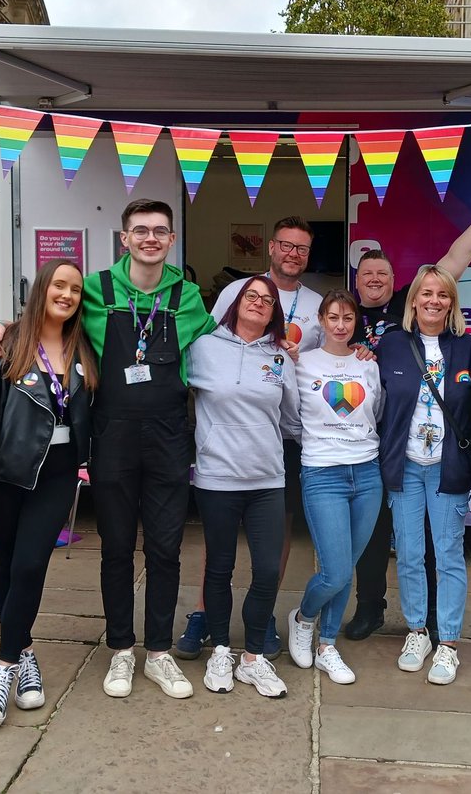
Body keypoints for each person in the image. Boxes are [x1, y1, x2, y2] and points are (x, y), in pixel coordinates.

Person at [0, 200, 216, 699]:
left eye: (160, 231)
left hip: (169, 437)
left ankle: (158, 653)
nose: (150, 239)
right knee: (115, 549)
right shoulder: (94, 289)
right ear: (124, 239)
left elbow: (224, 345)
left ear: (171, 240)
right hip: (111, 438)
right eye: (140, 231)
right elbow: (49, 317)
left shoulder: (189, 295)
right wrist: (2, 329)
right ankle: (120, 652)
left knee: (166, 549)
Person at [344, 178, 471, 642]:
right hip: (373, 446)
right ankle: (372, 608)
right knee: (376, 540)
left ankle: (435, 621)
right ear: (356, 281)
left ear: (401, 286)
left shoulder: (409, 312)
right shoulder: (344, 314)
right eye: (366, 275)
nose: (374, 280)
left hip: (427, 448)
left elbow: (455, 259)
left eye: (383, 275)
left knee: (436, 546)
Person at [176, 216, 323, 662]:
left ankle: (263, 619)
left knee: (274, 538)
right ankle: (203, 614)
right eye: (286, 245)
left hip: (280, 436)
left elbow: (327, 356)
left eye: (302, 248)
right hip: (223, 449)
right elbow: (201, 349)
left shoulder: (317, 304)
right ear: (272, 248)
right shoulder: (235, 292)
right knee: (218, 548)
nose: (293, 253)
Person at [0, 259, 97, 728]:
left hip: (56, 477)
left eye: (75, 289)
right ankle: (27, 653)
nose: (67, 294)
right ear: (41, 289)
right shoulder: (5, 345)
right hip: (5, 477)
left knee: (29, 565)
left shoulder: (85, 346)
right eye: (59, 285)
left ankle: (2, 671)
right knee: (2, 568)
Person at [187, 275, 300, 697]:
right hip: (217, 478)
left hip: (266, 479)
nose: (258, 303)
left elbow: (291, 419)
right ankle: (220, 649)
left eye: (267, 300)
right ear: (234, 303)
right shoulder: (201, 348)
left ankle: (253, 658)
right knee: (219, 567)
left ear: (274, 312)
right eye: (250, 296)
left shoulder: (281, 358)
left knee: (268, 570)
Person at [375, 266, 471, 685]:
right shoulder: (392, 345)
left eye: (443, 295)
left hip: (448, 468)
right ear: (413, 300)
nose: (434, 301)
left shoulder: (469, 348)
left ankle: (448, 643)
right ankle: (417, 632)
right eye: (426, 293)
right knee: (410, 554)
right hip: (406, 467)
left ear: (452, 303)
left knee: (449, 555)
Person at [287, 290, 384, 685]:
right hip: (322, 473)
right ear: (322, 321)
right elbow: (290, 415)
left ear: (354, 322)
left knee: (346, 571)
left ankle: (327, 644)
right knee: (336, 571)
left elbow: (375, 412)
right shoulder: (301, 363)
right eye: (333, 317)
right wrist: (319, 442)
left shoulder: (368, 364)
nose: (340, 325)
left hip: (367, 474)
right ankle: (303, 617)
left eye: (347, 318)